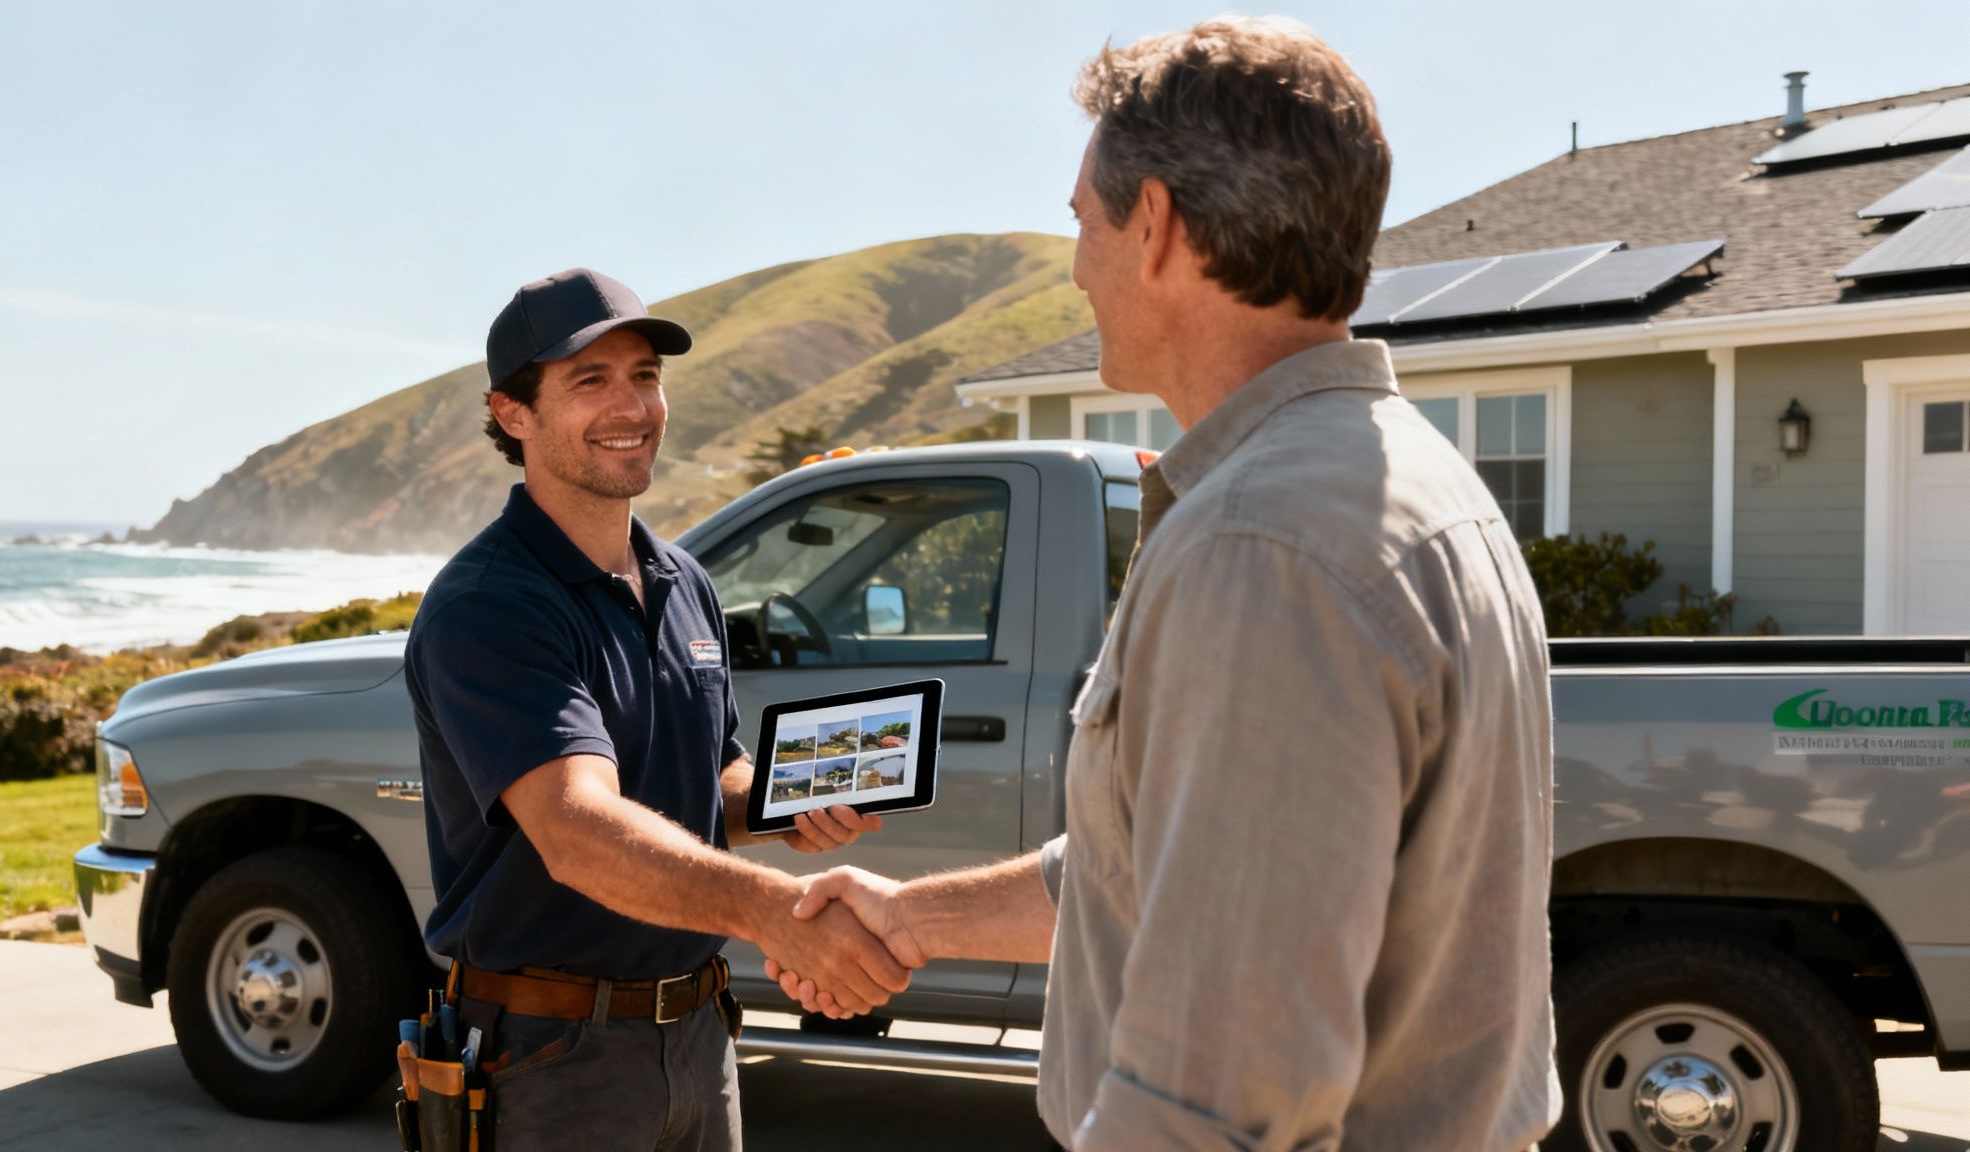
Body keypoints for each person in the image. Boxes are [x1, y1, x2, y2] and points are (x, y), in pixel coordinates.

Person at [769, 18, 1559, 1150]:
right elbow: (1151, 867)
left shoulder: (1260, 545)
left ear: (1154, 227)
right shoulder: (1412, 486)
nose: (1077, 263)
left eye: (1082, 223)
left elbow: (1219, 1103)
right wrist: (908, 916)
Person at [405, 268, 907, 1152]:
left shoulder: (684, 582)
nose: (630, 405)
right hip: (550, 1058)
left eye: (643, 375)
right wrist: (771, 912)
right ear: (513, 413)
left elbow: (709, 777)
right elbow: (579, 829)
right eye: (589, 381)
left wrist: (795, 799)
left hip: (701, 1031)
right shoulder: (490, 604)